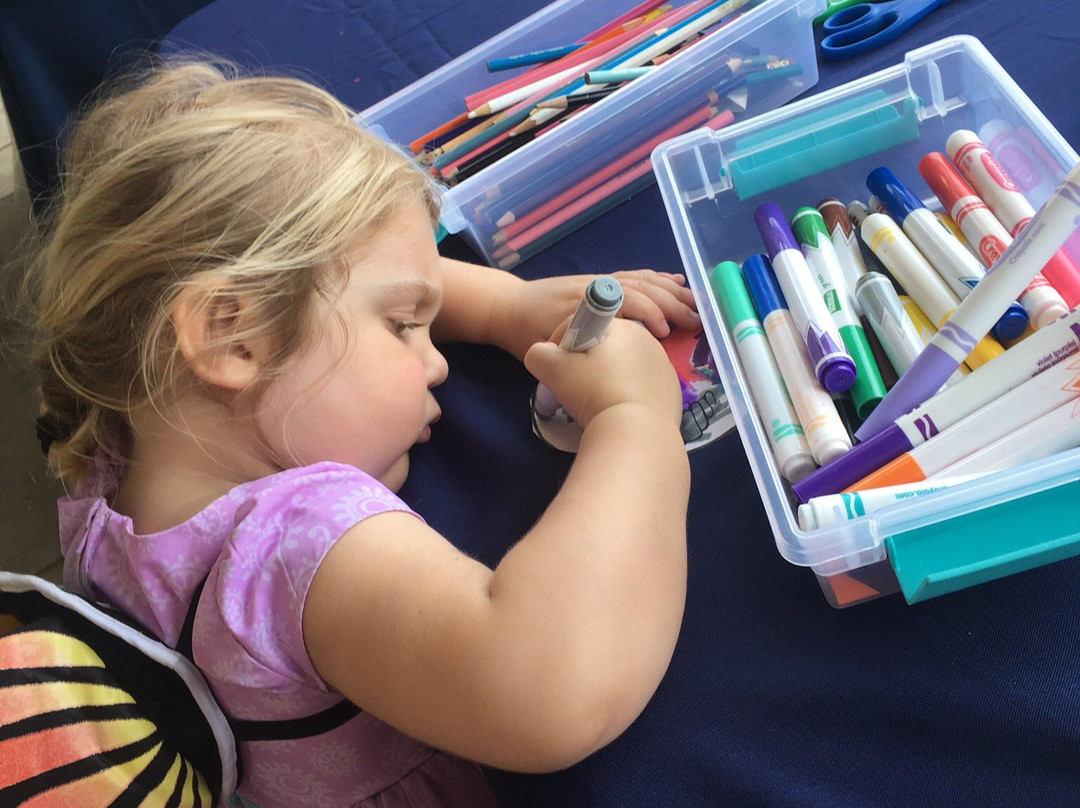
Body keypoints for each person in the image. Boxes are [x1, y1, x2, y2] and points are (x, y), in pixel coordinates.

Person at [26, 58, 698, 808]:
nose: (438, 364)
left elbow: (351, 273)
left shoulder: (117, 445)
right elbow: (551, 689)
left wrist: (504, 307)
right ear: (232, 339)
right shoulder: (295, 544)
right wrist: (635, 420)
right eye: (405, 325)